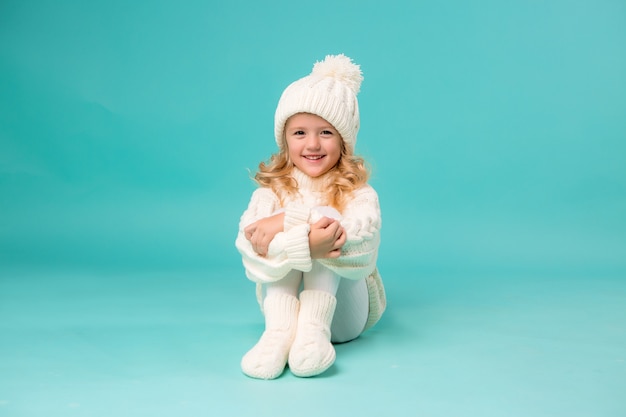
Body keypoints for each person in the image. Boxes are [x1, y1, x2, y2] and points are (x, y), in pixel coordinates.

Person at [235, 54, 386, 379]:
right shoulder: (269, 193)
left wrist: (287, 224)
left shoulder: (360, 193)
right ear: (285, 139)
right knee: (302, 226)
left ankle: (314, 330)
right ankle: (278, 335)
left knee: (328, 218)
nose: (313, 144)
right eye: (300, 133)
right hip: (284, 312)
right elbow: (251, 253)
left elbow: (362, 249)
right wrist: (302, 236)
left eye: (326, 133)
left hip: (343, 318)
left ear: (344, 141)